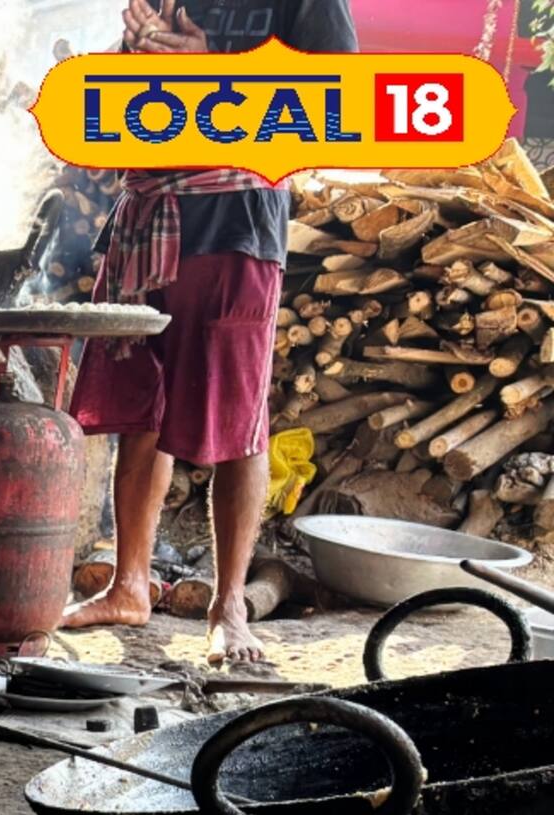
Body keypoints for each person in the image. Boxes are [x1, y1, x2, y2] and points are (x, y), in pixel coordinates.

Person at [63, 0, 358, 665]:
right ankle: (128, 584)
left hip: (238, 218)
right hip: (149, 213)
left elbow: (337, 109)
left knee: (240, 419)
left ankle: (229, 607)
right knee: (142, 407)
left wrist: (211, 76)